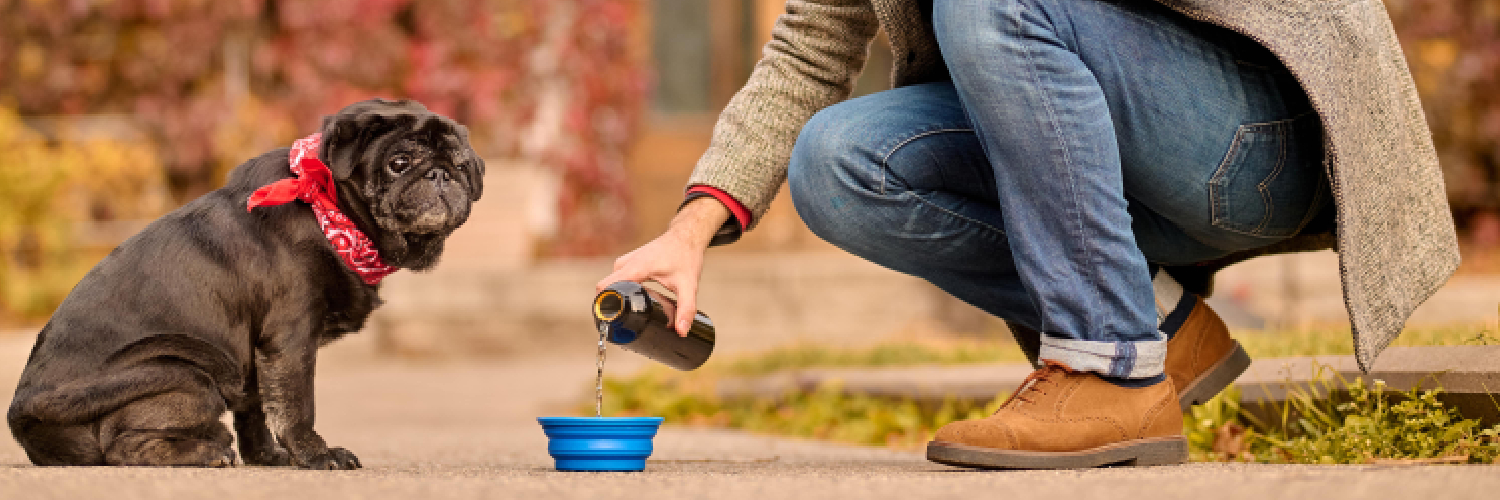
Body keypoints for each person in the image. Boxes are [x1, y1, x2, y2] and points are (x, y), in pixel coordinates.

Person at [597, 0, 1458, 469]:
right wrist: (690, 229)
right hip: (1102, 134)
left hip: (1251, 140)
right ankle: (1160, 330)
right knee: (839, 159)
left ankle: (1104, 362)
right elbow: (805, 58)